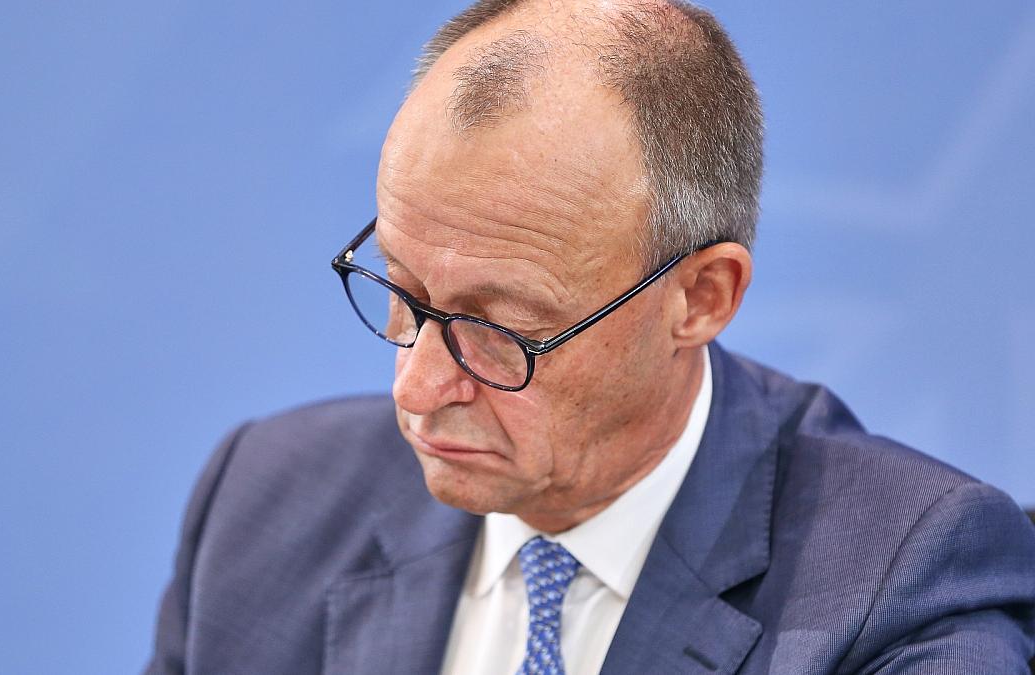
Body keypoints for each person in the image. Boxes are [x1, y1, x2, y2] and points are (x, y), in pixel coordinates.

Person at [144, 1, 1035, 672]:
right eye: (402, 294)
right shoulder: (260, 503)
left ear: (701, 297)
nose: (415, 389)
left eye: (498, 327)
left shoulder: (902, 586)